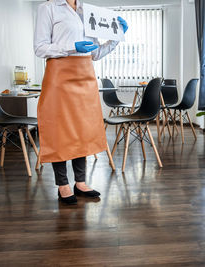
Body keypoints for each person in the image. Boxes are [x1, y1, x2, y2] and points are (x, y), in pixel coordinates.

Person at [34, 0, 128, 205]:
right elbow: (40, 48)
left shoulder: (89, 11)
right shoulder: (48, 8)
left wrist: (116, 37)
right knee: (60, 129)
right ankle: (62, 185)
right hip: (59, 74)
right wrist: (70, 47)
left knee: (82, 129)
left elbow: (95, 53)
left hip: (85, 74)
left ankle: (80, 182)